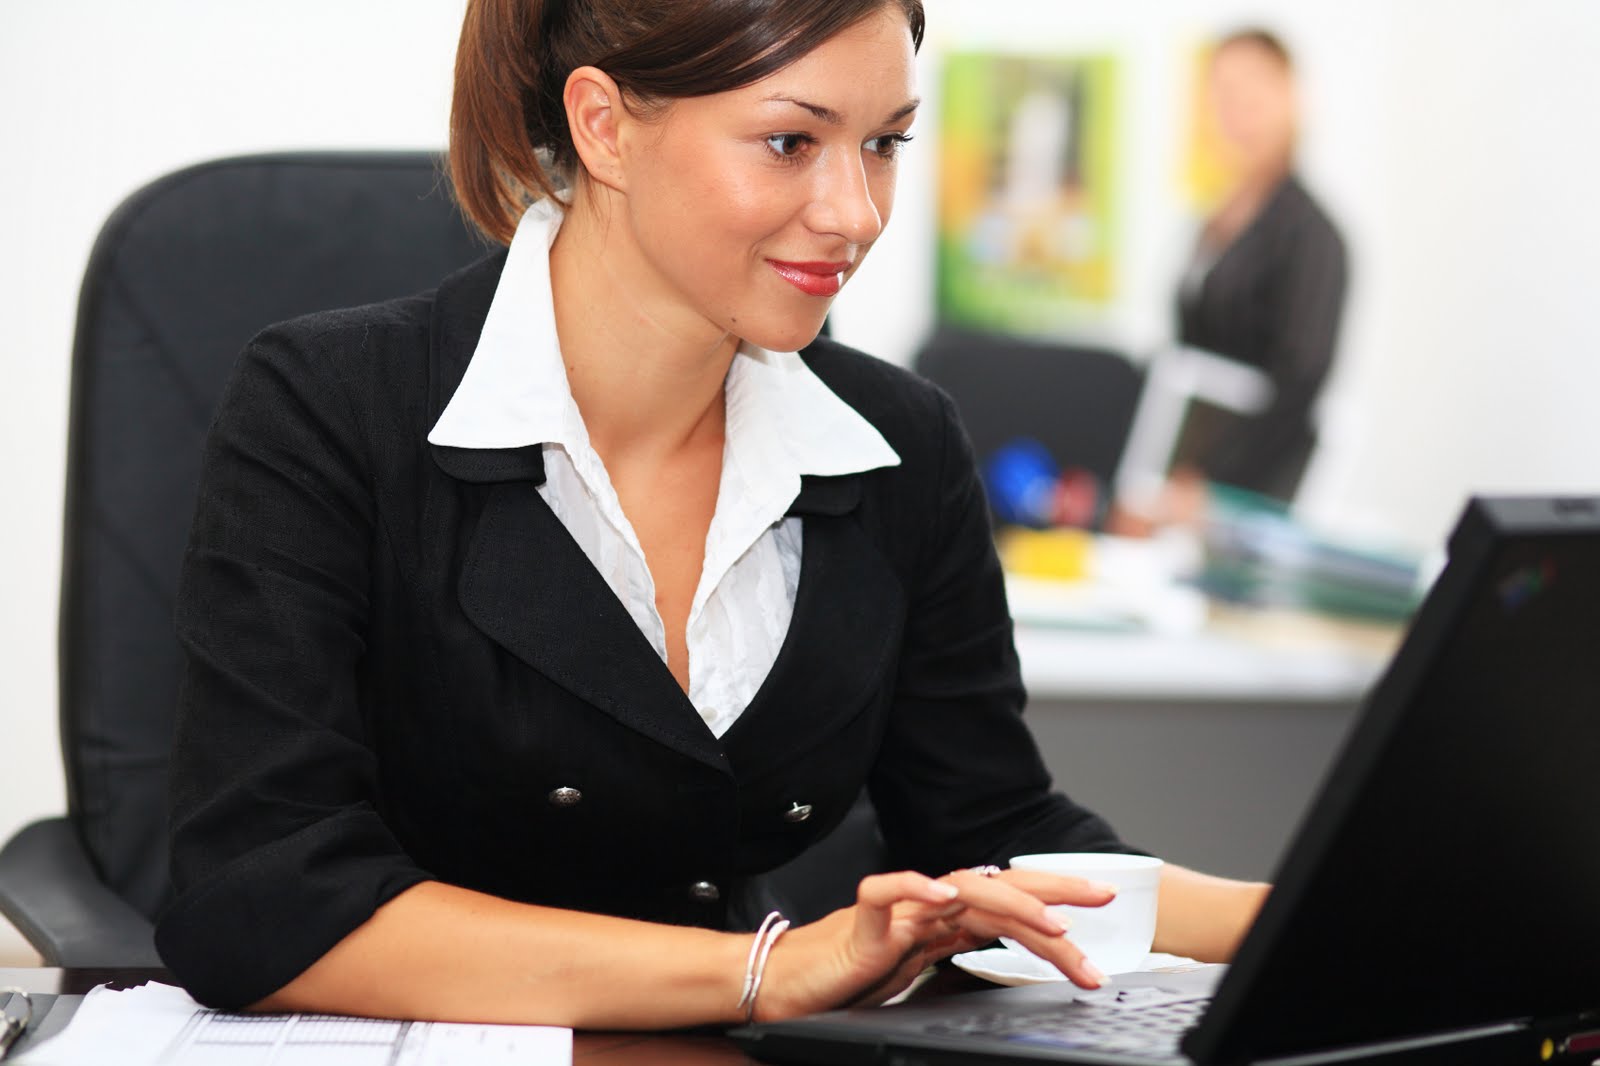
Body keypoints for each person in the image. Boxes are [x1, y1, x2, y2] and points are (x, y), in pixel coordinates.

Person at [155, 0, 1269, 1029]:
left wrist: (1299, 912)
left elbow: (992, 833)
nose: (856, 212)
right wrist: (763, 971)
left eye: (885, 143)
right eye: (790, 142)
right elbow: (266, 893)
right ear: (603, 127)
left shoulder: (899, 446)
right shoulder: (329, 408)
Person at [1124, 29, 1349, 532]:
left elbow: (1300, 385)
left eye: (1253, 89)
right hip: (1182, 480)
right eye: (1223, 92)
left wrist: (1210, 485)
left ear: (1289, 97)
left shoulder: (1313, 237)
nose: (1237, 109)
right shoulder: (1211, 223)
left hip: (1248, 495)